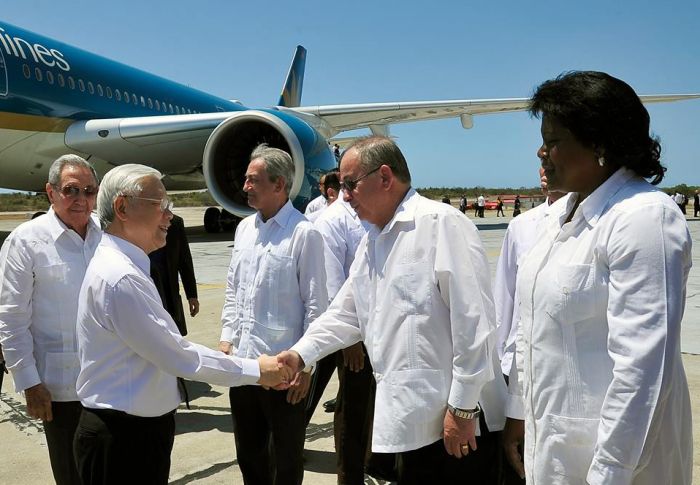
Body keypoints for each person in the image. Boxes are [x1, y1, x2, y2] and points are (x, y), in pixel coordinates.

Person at [279, 136, 506, 485]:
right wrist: (300, 354)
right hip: (408, 421)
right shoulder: (373, 240)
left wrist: (462, 409)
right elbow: (345, 313)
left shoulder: (440, 224)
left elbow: (475, 326)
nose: (345, 196)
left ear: (385, 178)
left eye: (351, 184)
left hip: (455, 426)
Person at [503, 71, 693, 484]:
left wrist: (609, 473)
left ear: (600, 143)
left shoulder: (643, 218)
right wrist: (519, 412)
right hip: (554, 450)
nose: (541, 152)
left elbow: (643, 371)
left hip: (616, 465)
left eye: (553, 141)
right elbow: (531, 331)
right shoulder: (560, 217)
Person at [73, 163, 289, 485]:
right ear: (122, 208)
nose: (169, 216)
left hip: (133, 432)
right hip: (123, 441)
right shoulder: (121, 278)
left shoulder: (124, 266)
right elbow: (180, 356)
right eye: (160, 206)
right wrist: (258, 370)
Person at [218, 144, 328, 485]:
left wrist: (307, 366)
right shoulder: (244, 229)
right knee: (249, 455)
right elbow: (234, 290)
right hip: (245, 365)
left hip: (285, 373)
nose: (245, 186)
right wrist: (227, 338)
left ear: (279, 185)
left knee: (286, 458)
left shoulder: (304, 233)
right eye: (246, 180)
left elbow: (316, 306)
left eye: (254, 180)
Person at [0, 154, 101, 485]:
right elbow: (11, 319)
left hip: (111, 381)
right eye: (71, 190)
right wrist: (29, 381)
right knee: (73, 475)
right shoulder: (26, 241)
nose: (81, 199)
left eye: (89, 191)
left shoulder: (107, 234)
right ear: (51, 192)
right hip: (61, 390)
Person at [493, 168, 566, 485]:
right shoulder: (521, 226)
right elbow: (503, 300)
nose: (545, 165)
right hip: (517, 367)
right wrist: (499, 365)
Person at [307, 170, 379, 484]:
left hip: (377, 328)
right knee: (353, 406)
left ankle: (369, 466)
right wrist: (349, 340)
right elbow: (331, 285)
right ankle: (349, 475)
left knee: (372, 404)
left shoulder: (371, 214)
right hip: (352, 334)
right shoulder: (331, 221)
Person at [149, 213, 199, 336]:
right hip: (148, 291)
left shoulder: (175, 223)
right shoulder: (135, 221)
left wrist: (192, 295)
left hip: (169, 292)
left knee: (174, 336)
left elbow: (184, 261)